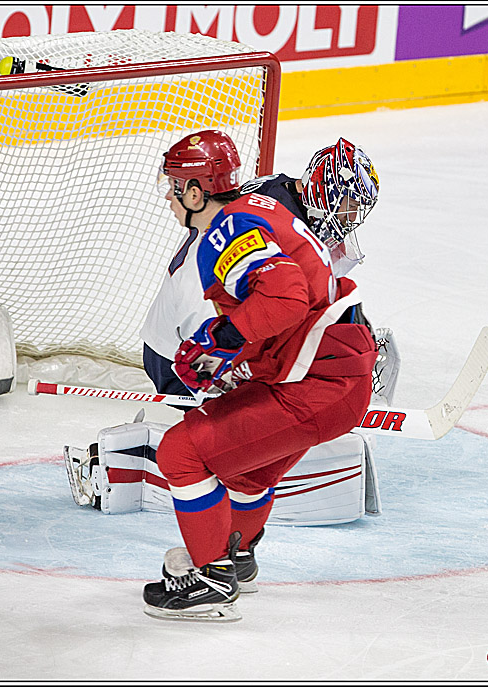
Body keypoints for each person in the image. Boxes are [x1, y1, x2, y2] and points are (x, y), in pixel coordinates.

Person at [140, 130, 379, 622]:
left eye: (174, 185)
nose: (168, 195)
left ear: (195, 191)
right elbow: (286, 303)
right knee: (248, 469)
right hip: (331, 371)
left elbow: (286, 296)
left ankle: (209, 578)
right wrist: (234, 355)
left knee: (180, 453)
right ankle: (237, 554)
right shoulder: (260, 208)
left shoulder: (226, 232)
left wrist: (220, 341)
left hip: (315, 383)